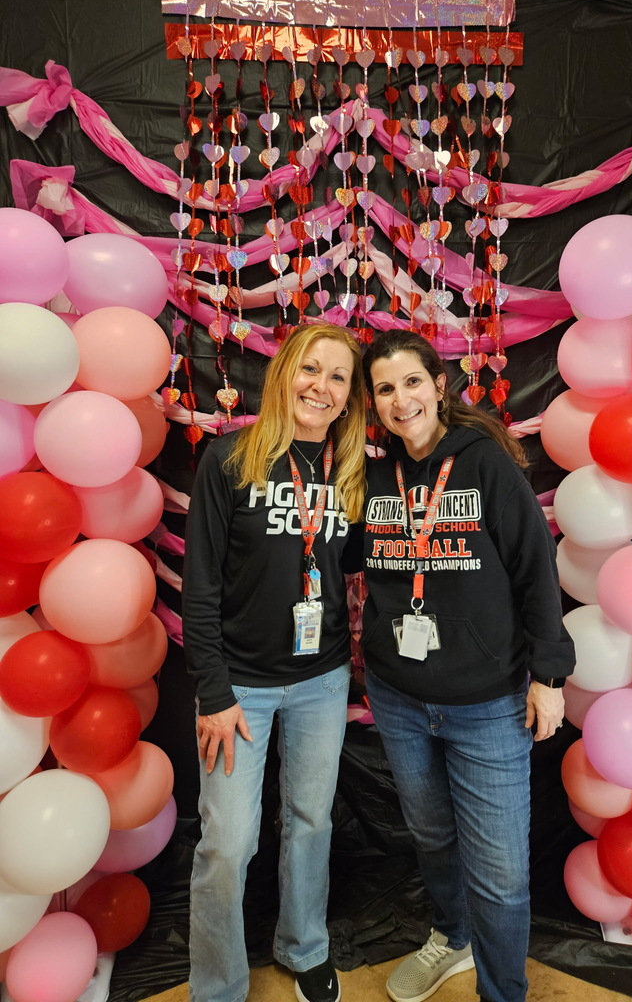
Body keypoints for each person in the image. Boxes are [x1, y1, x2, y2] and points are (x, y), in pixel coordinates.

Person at [360, 329, 575, 1002]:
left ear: (438, 385)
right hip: (398, 695)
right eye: (386, 389)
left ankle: (500, 992)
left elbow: (536, 573)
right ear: (373, 402)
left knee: (502, 873)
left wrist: (549, 675)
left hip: (488, 702)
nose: (401, 400)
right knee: (429, 834)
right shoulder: (370, 474)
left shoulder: (483, 464)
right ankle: (450, 935)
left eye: (412, 382)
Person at [182, 323, 367, 1002]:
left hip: (321, 680)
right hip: (240, 691)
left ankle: (302, 947)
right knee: (227, 846)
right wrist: (214, 692)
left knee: (311, 820)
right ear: (285, 372)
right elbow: (198, 587)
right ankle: (219, 987)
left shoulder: (350, 471)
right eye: (310, 369)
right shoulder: (229, 461)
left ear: (349, 397)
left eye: (338, 376)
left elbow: (348, 562)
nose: (321, 386)